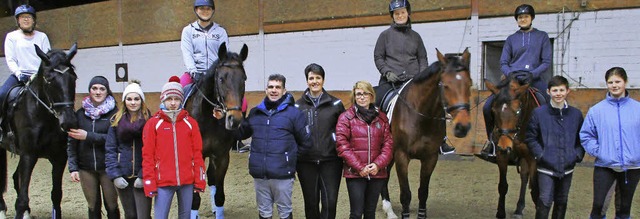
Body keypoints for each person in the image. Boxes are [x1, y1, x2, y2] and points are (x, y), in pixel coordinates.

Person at [374, 0, 454, 155]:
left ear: (408, 13)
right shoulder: (384, 36)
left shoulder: (416, 37)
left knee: (437, 101)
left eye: (403, 12)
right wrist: (386, 72)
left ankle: (442, 140)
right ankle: (378, 138)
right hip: (391, 81)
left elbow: (422, 58)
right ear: (393, 16)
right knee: (376, 100)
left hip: (413, 81)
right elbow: (378, 57)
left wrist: (421, 76)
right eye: (397, 13)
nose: (400, 15)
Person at [480, 4, 552, 157]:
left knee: (547, 103)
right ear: (517, 21)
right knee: (487, 106)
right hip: (513, 78)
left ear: (531, 18)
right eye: (520, 17)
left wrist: (532, 74)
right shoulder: (511, 39)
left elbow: (546, 61)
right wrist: (510, 74)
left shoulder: (542, 37)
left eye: (526, 16)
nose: (523, 19)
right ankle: (491, 143)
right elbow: (504, 62)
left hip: (533, 78)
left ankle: (547, 142)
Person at [235, 74, 311, 219]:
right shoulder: (255, 112)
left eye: (277, 87)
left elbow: (306, 143)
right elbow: (241, 134)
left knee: (285, 211)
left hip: (282, 175)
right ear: (266, 89)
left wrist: (289, 160)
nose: (274, 90)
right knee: (264, 212)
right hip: (260, 175)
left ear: (284, 90)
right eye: (271, 87)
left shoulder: (294, 114)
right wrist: (228, 120)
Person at [580, 67, 640, 219]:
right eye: (610, 82)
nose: (614, 85)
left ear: (625, 82)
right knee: (599, 206)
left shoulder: (637, 109)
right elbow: (586, 135)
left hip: (632, 166)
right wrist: (600, 152)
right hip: (605, 166)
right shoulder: (597, 110)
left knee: (624, 208)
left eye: (618, 81)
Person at [142, 76, 206, 219]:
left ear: (181, 101)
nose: (172, 103)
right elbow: (148, 155)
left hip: (187, 182)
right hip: (163, 182)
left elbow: (197, 154)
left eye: (176, 99)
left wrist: (200, 179)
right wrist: (149, 182)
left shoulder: (191, 123)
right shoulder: (153, 124)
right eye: (169, 99)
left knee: (185, 216)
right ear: (163, 100)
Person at [524, 76, 584, 219]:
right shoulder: (539, 113)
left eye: (561, 90)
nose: (558, 93)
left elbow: (581, 138)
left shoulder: (575, 114)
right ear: (548, 92)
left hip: (568, 166)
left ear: (567, 91)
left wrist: (576, 155)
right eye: (555, 90)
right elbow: (530, 137)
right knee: (544, 200)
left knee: (562, 201)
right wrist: (541, 154)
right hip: (546, 167)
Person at [335, 81, 393, 219]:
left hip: (377, 173)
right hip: (355, 173)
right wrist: (360, 167)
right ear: (354, 97)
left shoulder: (382, 118)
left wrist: (378, 164)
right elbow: (342, 145)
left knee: (370, 212)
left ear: (371, 96)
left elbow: (388, 144)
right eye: (358, 94)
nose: (362, 97)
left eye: (365, 94)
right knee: (356, 213)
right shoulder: (346, 118)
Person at [295, 63, 345, 219]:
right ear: (307, 81)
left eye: (318, 77)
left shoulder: (336, 104)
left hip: (331, 162)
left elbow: (344, 132)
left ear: (323, 80)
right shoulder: (297, 106)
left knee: (330, 203)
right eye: (311, 78)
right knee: (311, 204)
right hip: (306, 163)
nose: (314, 81)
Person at [67, 76, 121, 219]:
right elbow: (71, 143)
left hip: (107, 167)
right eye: (94, 88)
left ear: (107, 92)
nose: (98, 92)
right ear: (89, 91)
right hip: (86, 167)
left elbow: (114, 140)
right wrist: (73, 167)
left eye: (102, 89)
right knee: (92, 205)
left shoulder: (115, 114)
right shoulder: (79, 115)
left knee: (112, 204)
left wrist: (88, 136)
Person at [105, 81, 152, 219]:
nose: (133, 102)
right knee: (130, 214)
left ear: (141, 101)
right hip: (123, 173)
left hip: (141, 173)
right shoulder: (115, 121)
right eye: (129, 99)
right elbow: (110, 149)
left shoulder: (149, 121)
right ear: (124, 101)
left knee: (143, 215)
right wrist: (115, 175)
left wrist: (144, 174)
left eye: (136, 99)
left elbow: (153, 150)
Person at [1, 4, 51, 121]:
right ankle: (3, 127)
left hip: (39, 76)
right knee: (1, 94)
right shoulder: (11, 36)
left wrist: (41, 74)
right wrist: (19, 74)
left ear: (33, 20)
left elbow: (47, 58)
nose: (26, 19)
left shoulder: (42, 36)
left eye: (29, 16)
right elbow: (11, 59)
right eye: (22, 17)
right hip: (20, 75)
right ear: (18, 20)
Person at [181, 0, 229, 82]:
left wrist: (219, 70)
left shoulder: (221, 31)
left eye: (208, 9)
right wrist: (194, 72)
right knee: (181, 87)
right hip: (196, 74)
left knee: (236, 92)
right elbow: (187, 53)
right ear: (196, 10)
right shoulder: (188, 31)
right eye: (202, 8)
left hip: (216, 73)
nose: (205, 11)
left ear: (213, 10)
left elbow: (224, 54)